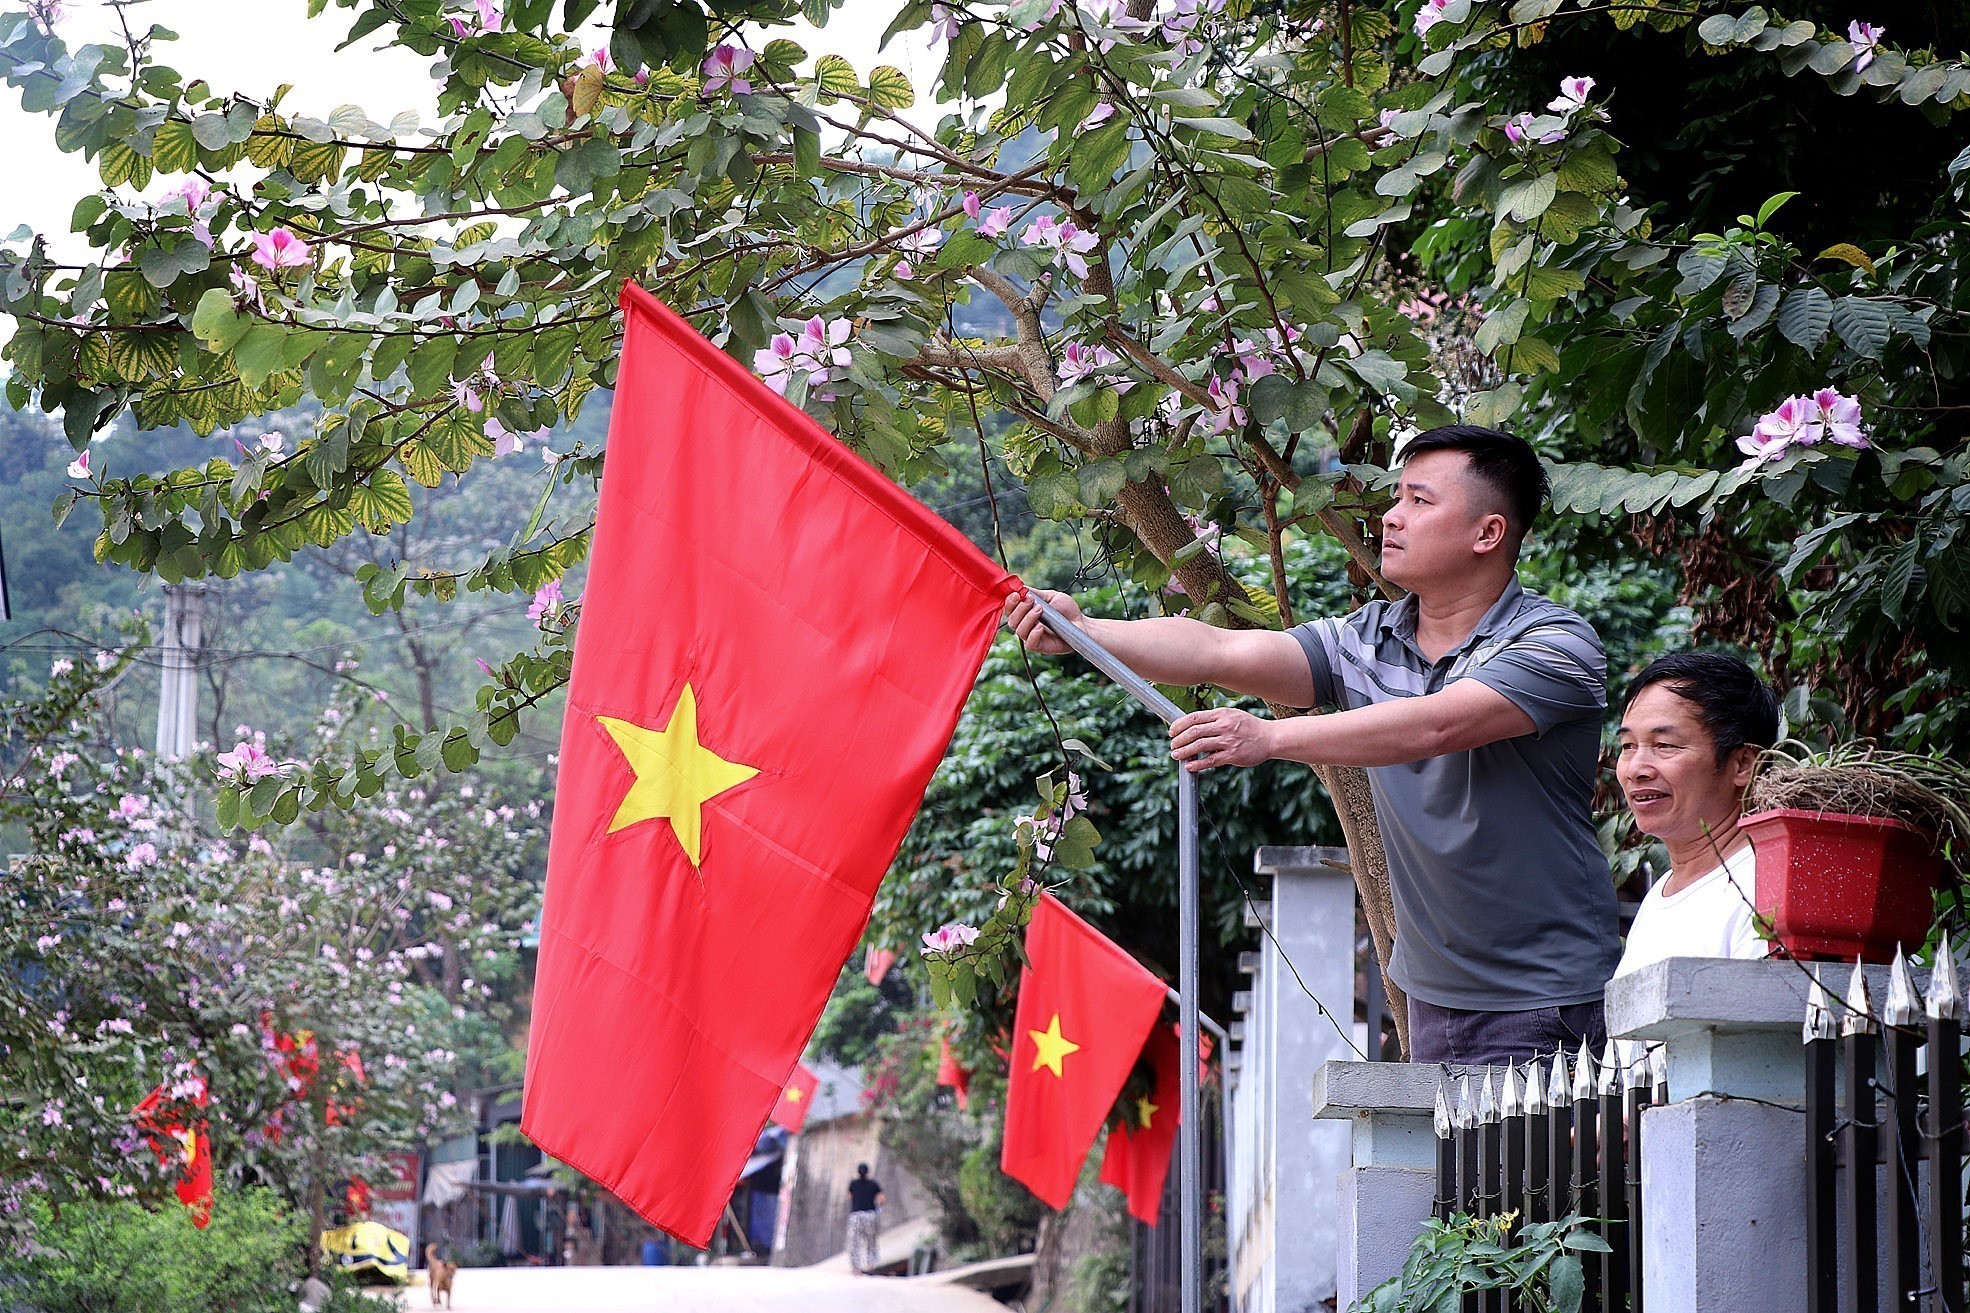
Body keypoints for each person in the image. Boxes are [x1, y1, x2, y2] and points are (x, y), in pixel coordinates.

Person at [1005, 425, 1619, 1067]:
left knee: (1545, 1173)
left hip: (1545, 1000)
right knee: (1461, 1174)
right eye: (1397, 498)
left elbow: (1436, 726)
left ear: (1487, 534)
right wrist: (1085, 632)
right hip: (1432, 998)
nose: (1393, 517)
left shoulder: (1554, 644)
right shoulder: (1371, 638)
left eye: (1419, 501)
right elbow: (1221, 650)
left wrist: (1267, 737)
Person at [1611, 651, 1782, 977]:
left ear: (1743, 764)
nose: (1635, 769)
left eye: (1665, 745)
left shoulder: (1766, 891)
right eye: (1628, 746)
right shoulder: (1658, 898)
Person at [844, 1162, 884, 1275]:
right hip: (870, 1215)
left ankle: (856, 1269)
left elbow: (848, 1196)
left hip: (856, 1216)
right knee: (871, 1241)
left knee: (854, 1243)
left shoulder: (853, 1184)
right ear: (868, 1172)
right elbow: (882, 1199)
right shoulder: (873, 1184)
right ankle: (870, 1265)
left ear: (858, 1172)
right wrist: (878, 1206)